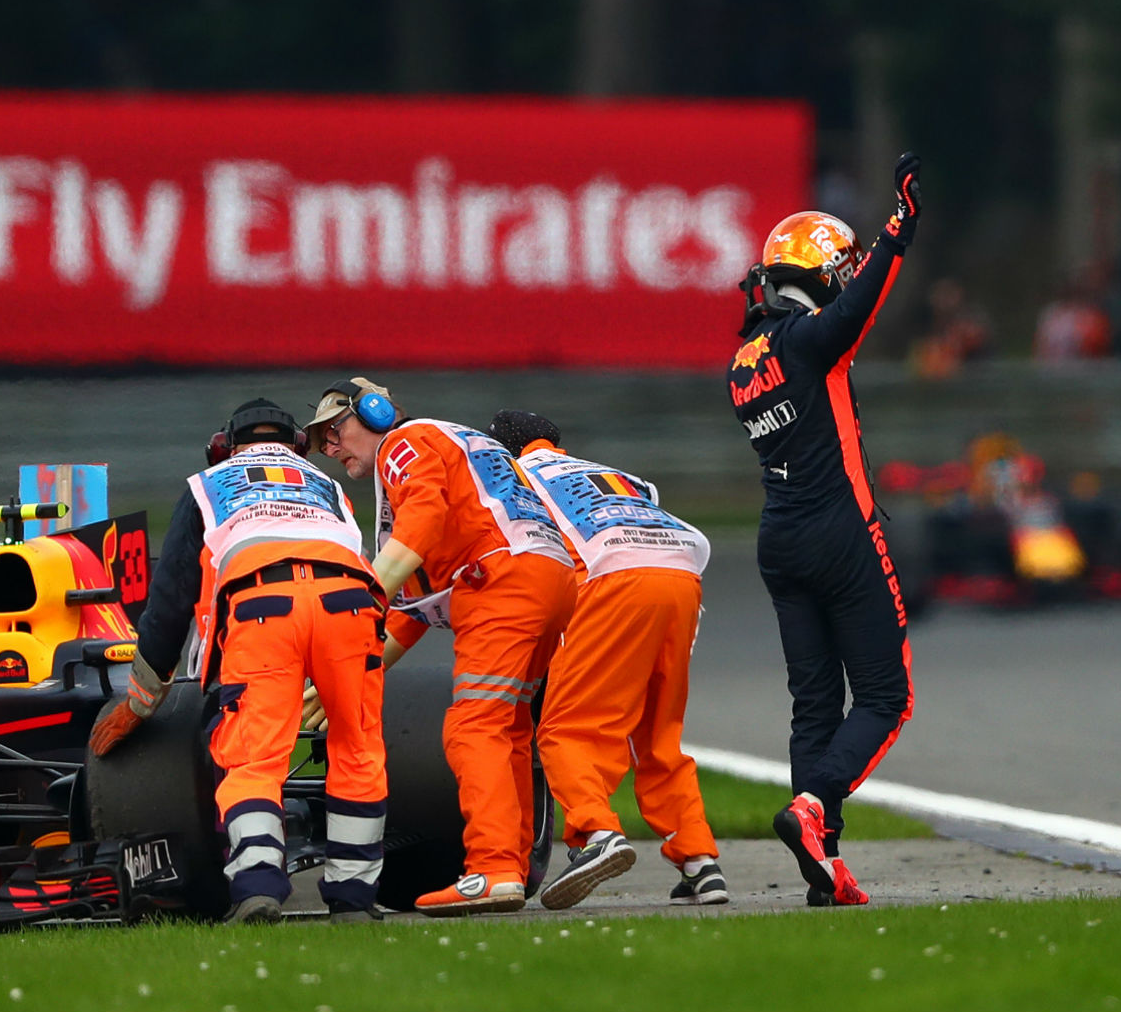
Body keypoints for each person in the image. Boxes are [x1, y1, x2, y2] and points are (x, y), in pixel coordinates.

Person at [89, 400, 389, 925]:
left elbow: (170, 602)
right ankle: (354, 899)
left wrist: (140, 701)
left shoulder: (206, 486)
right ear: (297, 446)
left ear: (222, 447)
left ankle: (257, 885)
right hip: (350, 602)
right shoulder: (328, 486)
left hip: (261, 607)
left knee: (254, 756)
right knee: (357, 747)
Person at [727, 154, 924, 907]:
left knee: (814, 705)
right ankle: (814, 808)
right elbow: (858, 307)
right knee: (886, 697)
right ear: (823, 275)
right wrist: (897, 230)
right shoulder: (809, 341)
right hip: (841, 530)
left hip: (778, 542)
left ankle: (826, 863)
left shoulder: (741, 364)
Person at [306, 378, 577, 916]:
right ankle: (513, 865)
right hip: (548, 576)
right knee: (509, 726)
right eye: (320, 443)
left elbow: (421, 522)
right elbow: (413, 610)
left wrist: (362, 597)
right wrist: (354, 670)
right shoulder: (451, 441)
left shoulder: (403, 443)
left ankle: (492, 867)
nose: (330, 449)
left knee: (473, 726)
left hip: (500, 582)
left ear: (375, 412)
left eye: (334, 431)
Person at [487, 410, 727, 910]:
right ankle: (700, 860)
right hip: (682, 578)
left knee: (565, 730)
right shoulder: (612, 473)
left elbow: (520, 561)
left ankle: (597, 834)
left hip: (612, 578)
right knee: (658, 734)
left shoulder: (514, 479)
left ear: (502, 452)